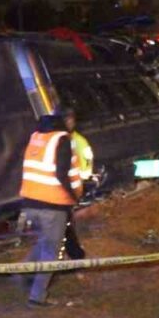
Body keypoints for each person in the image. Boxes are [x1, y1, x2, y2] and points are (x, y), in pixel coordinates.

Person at [19, 112, 83, 307]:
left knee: (43, 242)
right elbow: (62, 172)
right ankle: (37, 297)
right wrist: (73, 197)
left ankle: (20, 274)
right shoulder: (61, 140)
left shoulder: (36, 137)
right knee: (51, 252)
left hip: (30, 202)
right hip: (53, 204)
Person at [62, 107, 94, 260]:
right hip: (61, 189)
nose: (69, 122)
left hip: (68, 188)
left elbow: (87, 162)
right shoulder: (60, 140)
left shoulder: (79, 141)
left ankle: (75, 254)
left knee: (65, 223)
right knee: (64, 224)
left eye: (71, 119)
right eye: (67, 119)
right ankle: (75, 254)